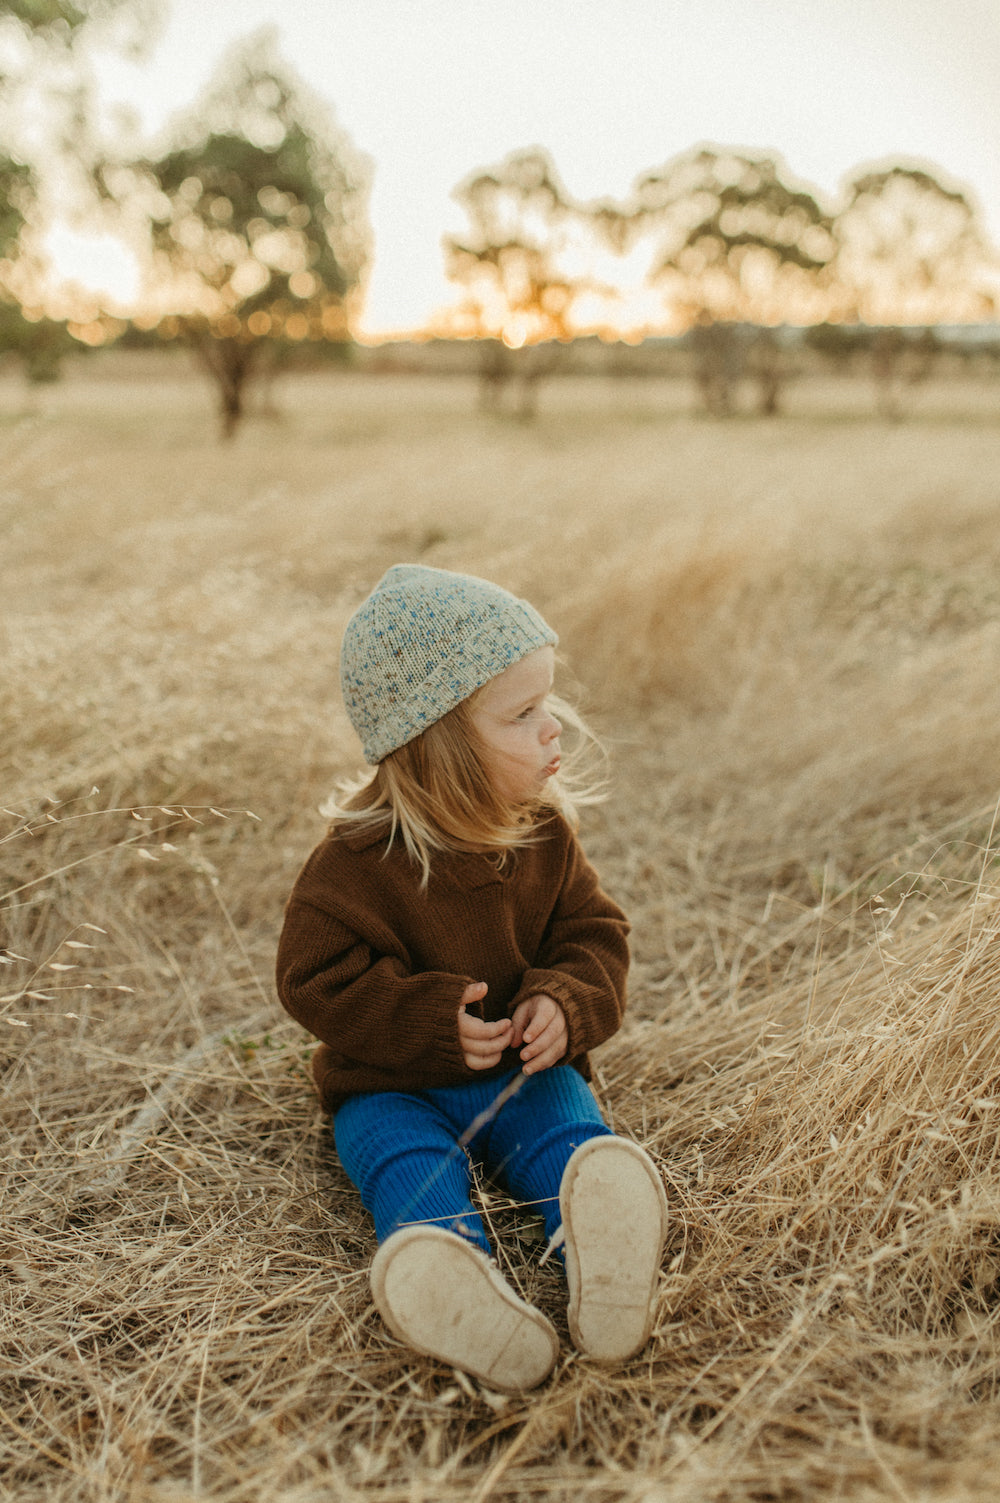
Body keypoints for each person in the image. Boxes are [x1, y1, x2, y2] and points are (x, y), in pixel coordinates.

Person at [276, 564, 667, 1391]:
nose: (554, 728)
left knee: (565, 1133)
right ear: (439, 743)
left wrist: (563, 1000)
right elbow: (314, 977)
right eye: (525, 713)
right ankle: (455, 1283)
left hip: (523, 1072)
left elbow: (596, 935)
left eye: (548, 703)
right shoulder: (354, 865)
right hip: (392, 1086)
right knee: (405, 1164)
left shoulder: (543, 837)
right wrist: (421, 1018)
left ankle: (601, 1247)